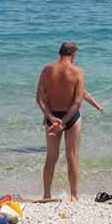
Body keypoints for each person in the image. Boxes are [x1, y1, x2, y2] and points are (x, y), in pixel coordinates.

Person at [35, 41, 85, 202]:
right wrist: (63, 122)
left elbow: (40, 99)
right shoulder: (77, 72)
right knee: (72, 156)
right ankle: (74, 196)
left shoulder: (47, 70)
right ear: (74, 54)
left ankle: (47, 194)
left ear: (60, 53)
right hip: (71, 118)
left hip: (52, 117)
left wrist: (51, 118)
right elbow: (77, 102)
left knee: (51, 156)